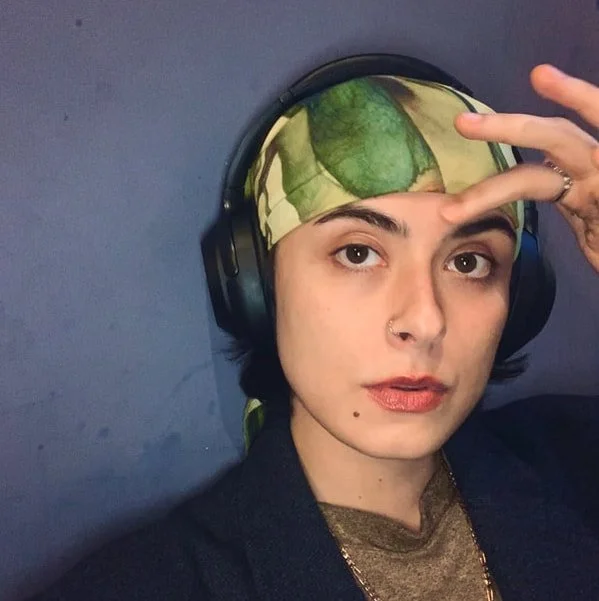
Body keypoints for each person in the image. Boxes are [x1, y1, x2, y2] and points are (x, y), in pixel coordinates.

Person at [26, 54, 599, 601]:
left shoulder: (576, 456)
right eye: (357, 253)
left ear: (520, 296)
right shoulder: (146, 585)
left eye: (468, 262)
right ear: (258, 287)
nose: (424, 322)